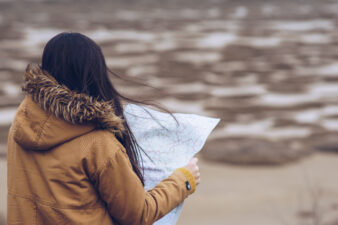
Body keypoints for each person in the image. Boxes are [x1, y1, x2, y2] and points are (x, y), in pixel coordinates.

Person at [7, 32, 200, 225]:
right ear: (94, 74)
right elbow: (138, 214)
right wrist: (184, 180)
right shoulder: (99, 144)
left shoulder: (22, 123)